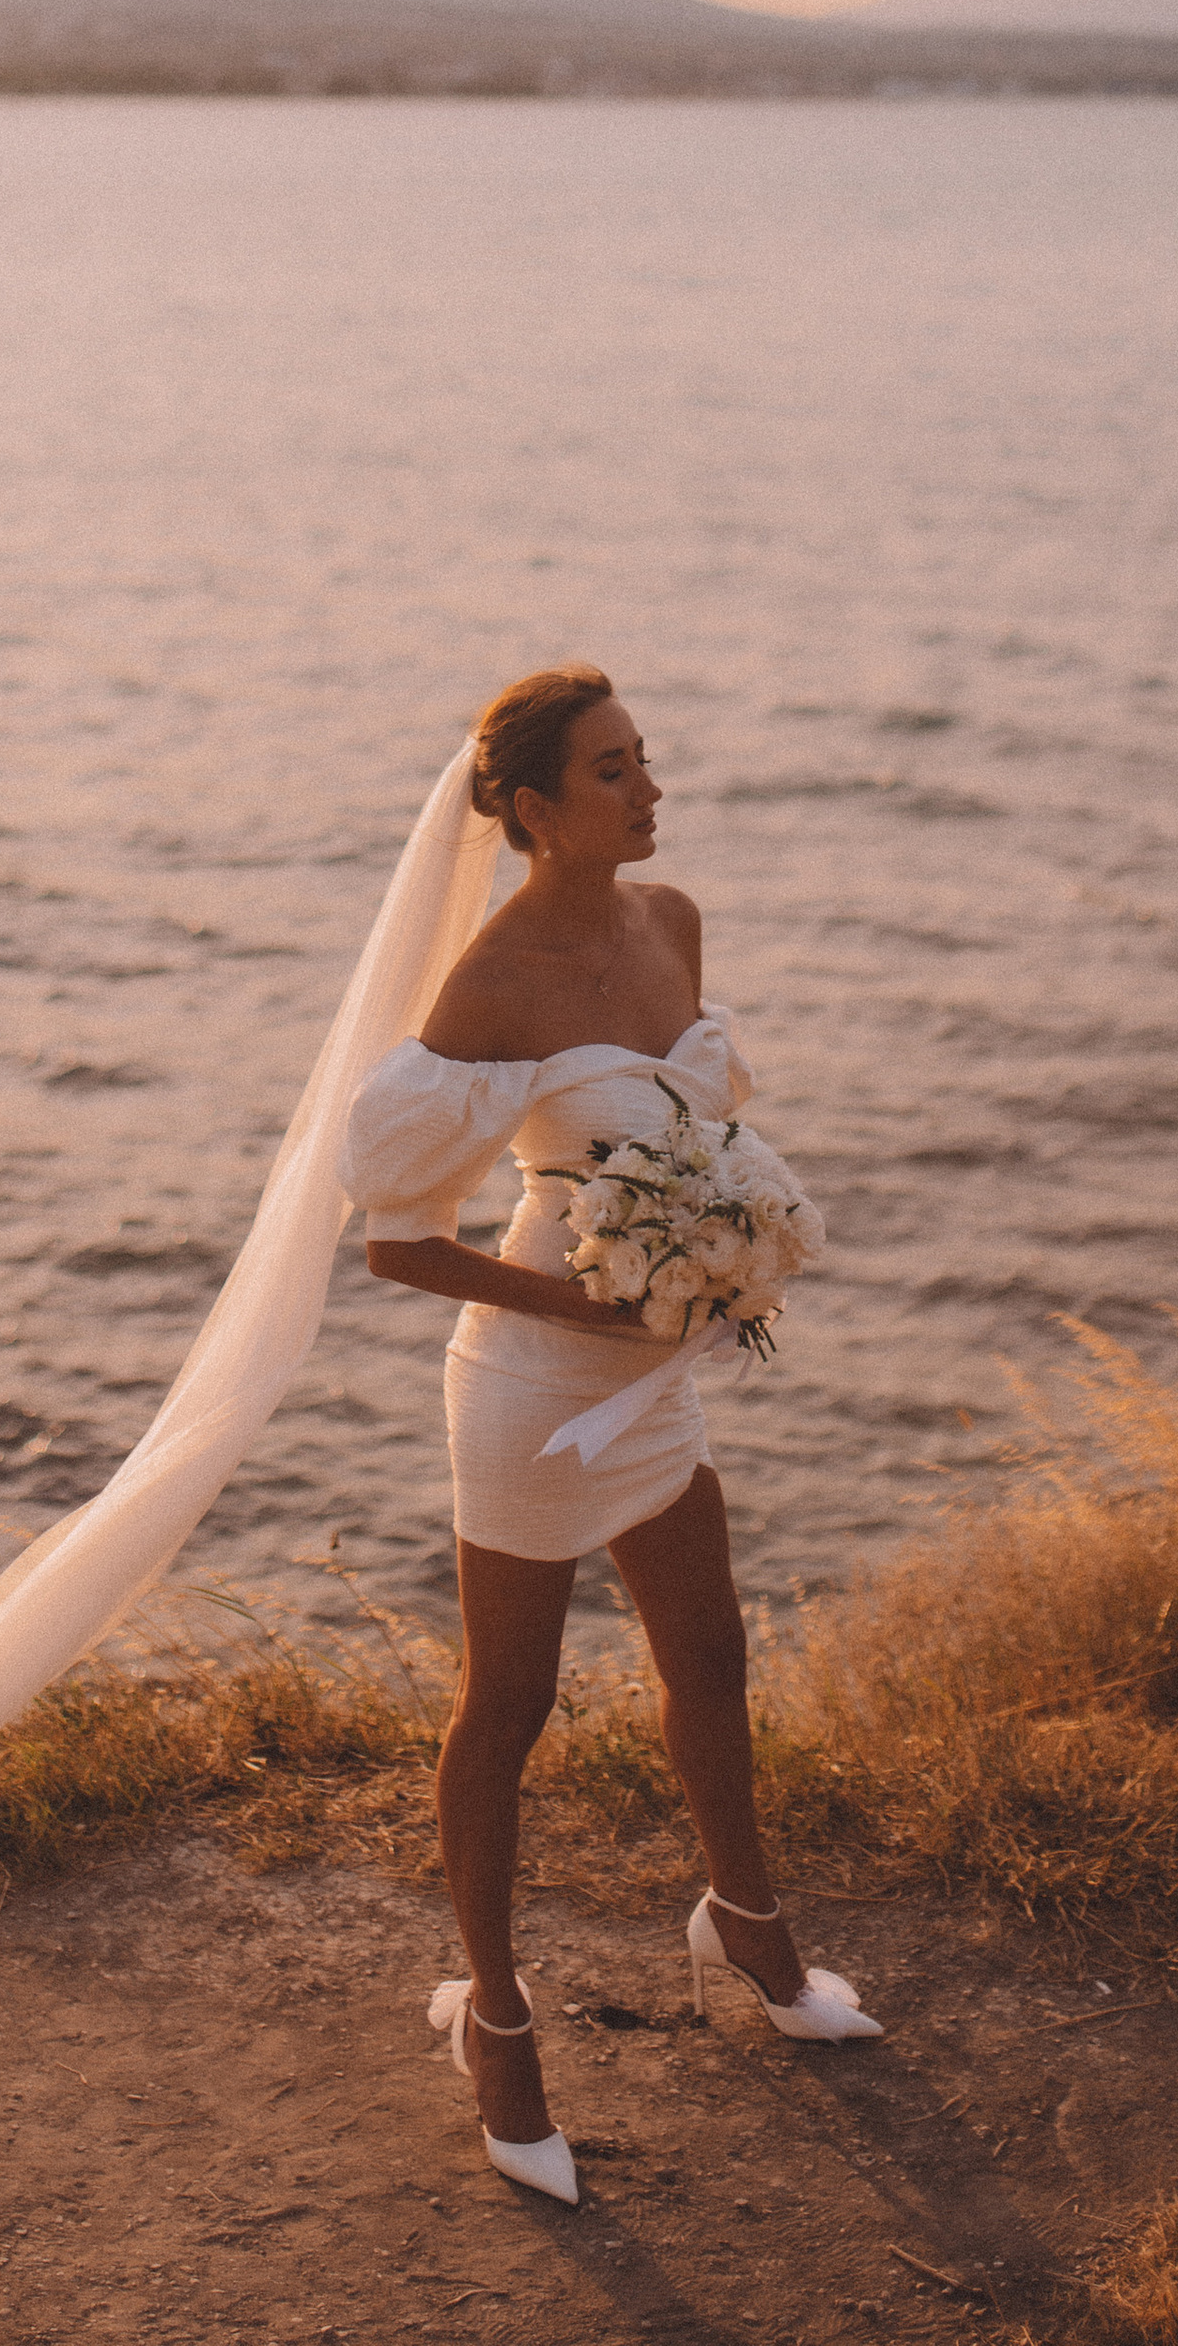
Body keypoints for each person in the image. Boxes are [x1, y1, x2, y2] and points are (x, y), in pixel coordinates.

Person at [340, 665, 879, 2209]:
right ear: (529, 809)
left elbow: (694, 1134)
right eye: (612, 773)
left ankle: (749, 1927)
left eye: (646, 760)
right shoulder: (489, 986)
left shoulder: (671, 924)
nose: (650, 793)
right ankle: (497, 2023)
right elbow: (396, 1241)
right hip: (530, 1387)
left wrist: (727, 1244)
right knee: (507, 1709)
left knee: (711, 1655)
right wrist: (580, 1301)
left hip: (655, 1375)